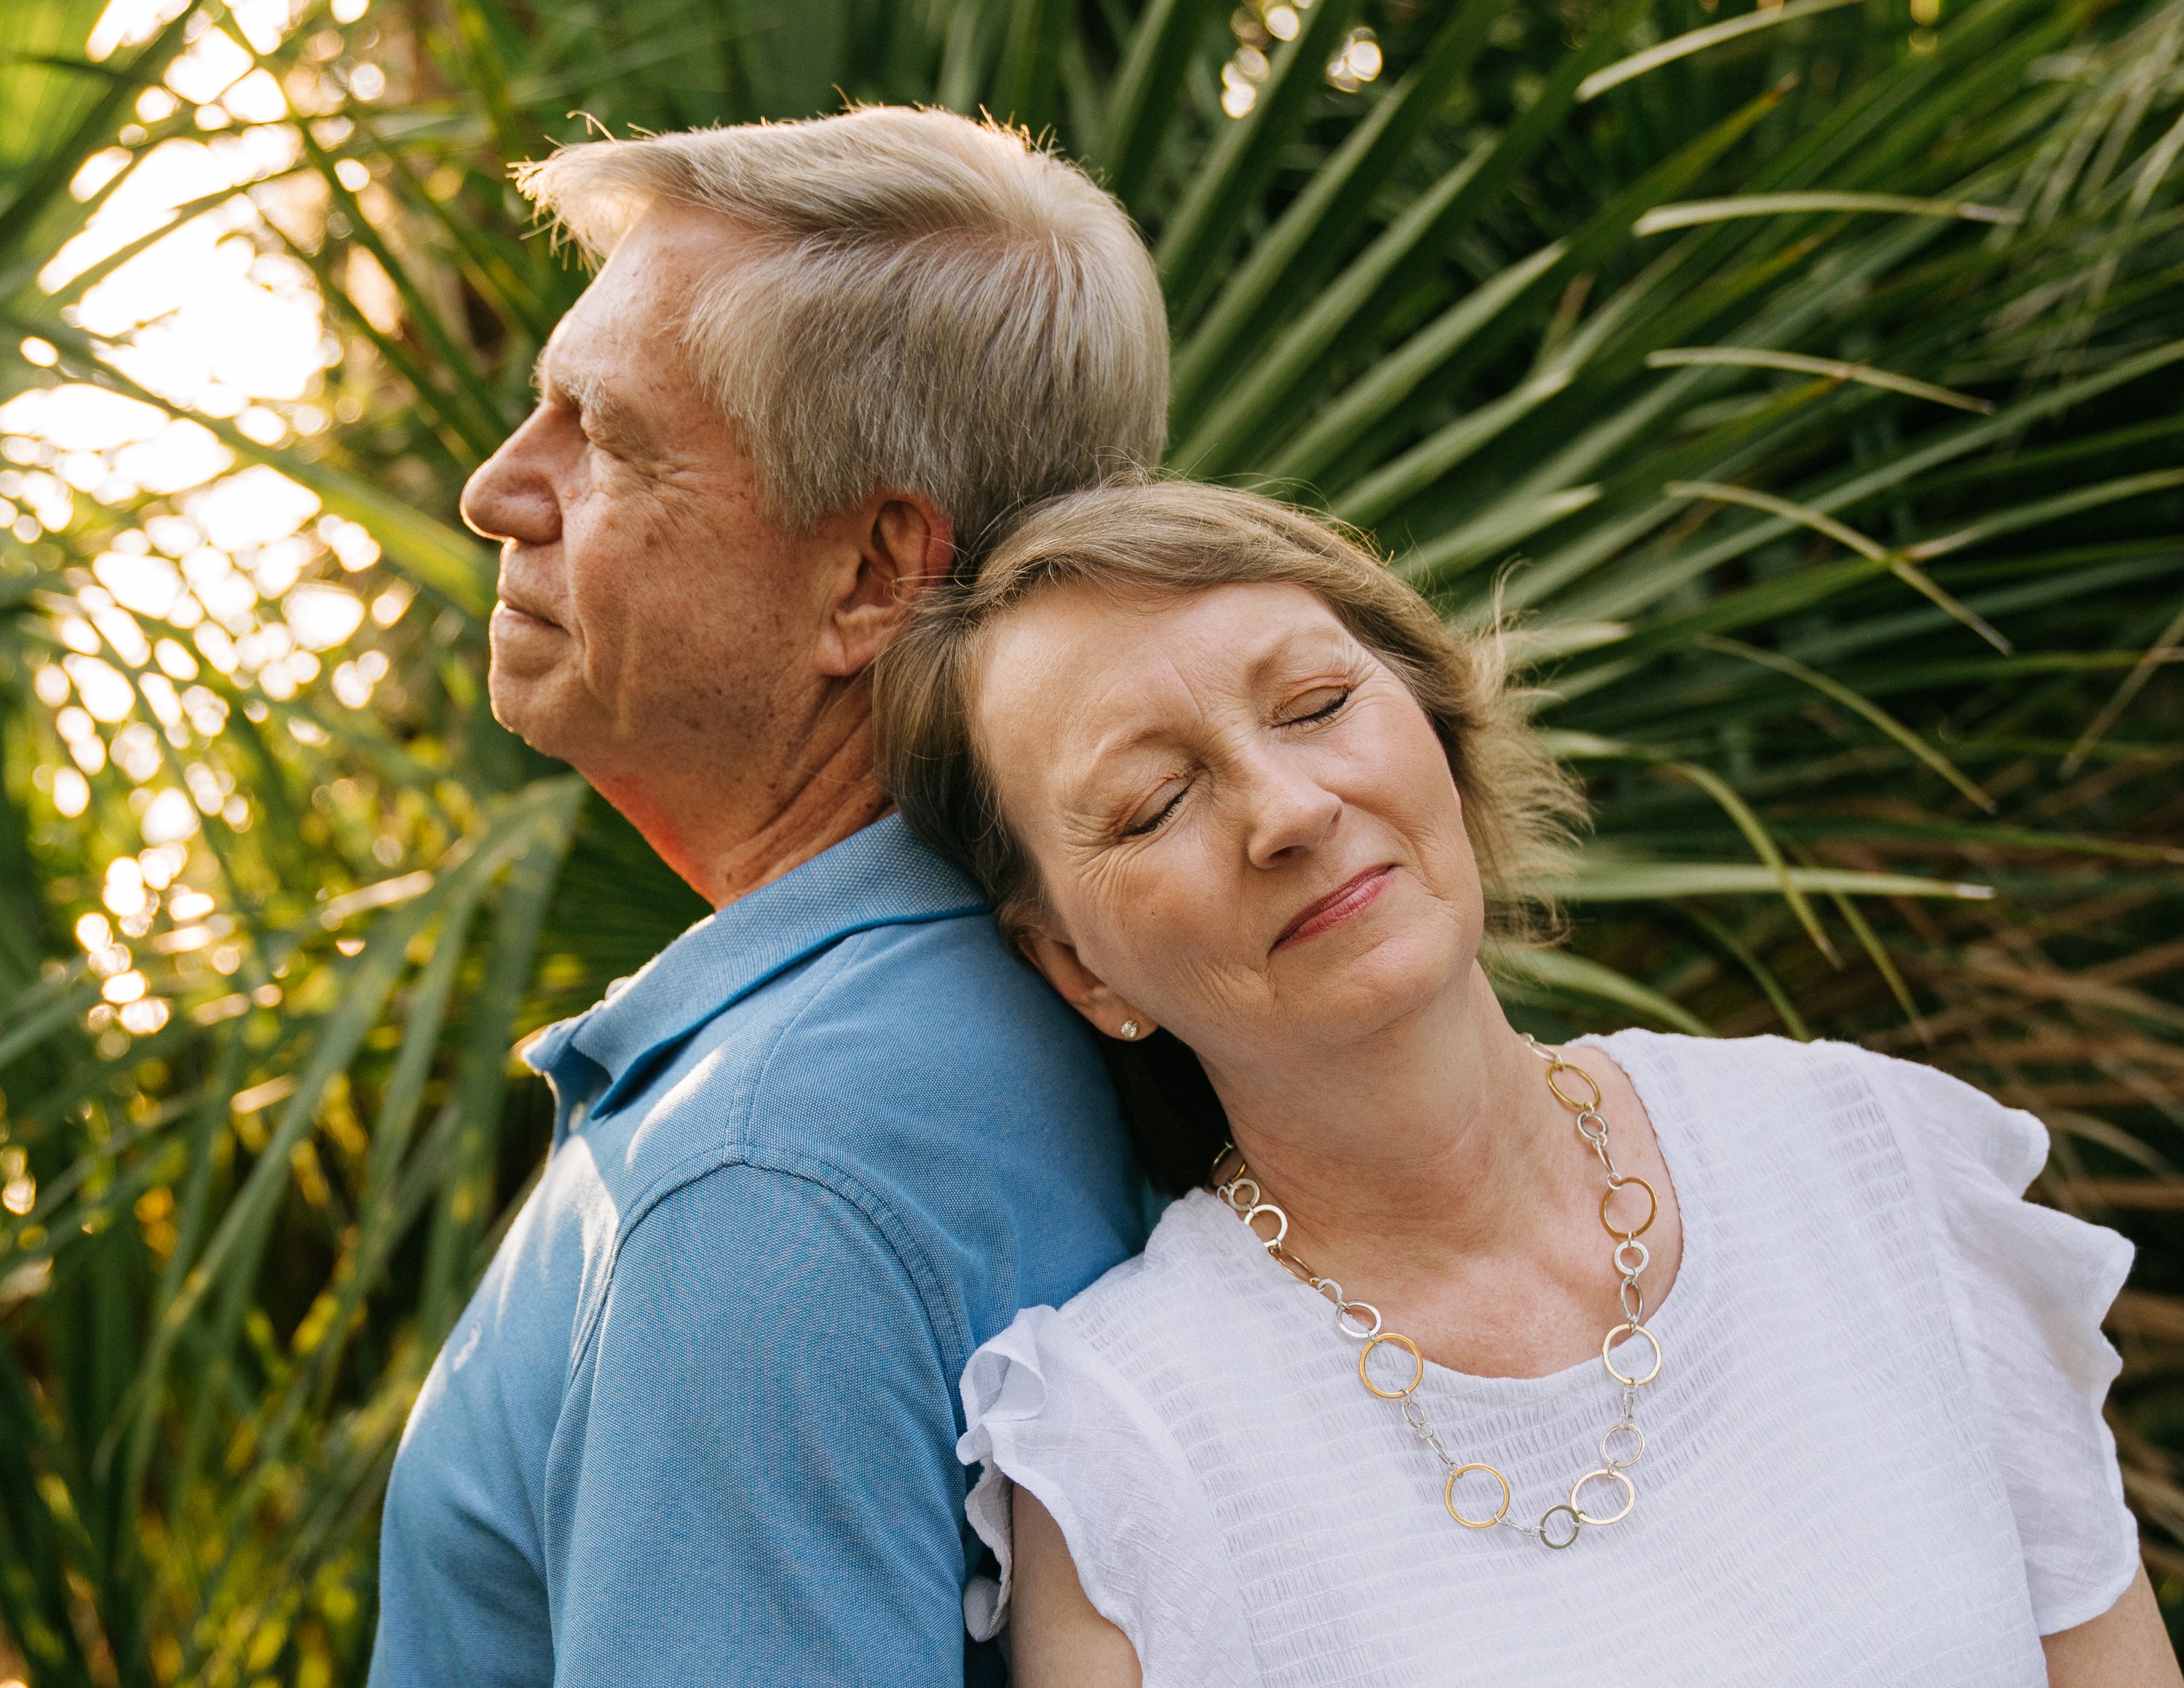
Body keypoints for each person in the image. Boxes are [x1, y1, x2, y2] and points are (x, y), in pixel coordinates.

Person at [874, 480, 2180, 1687]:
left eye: (1320, 704)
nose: (1289, 810)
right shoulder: (1126, 1457)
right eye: (1157, 801)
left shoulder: (1870, 1160)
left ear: (1434, 726)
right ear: (1074, 965)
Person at [367, 110, 1170, 1688]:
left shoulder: (767, 1167)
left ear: (871, 577)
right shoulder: (1057, 1011)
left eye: (601, 436)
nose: (492, 489)